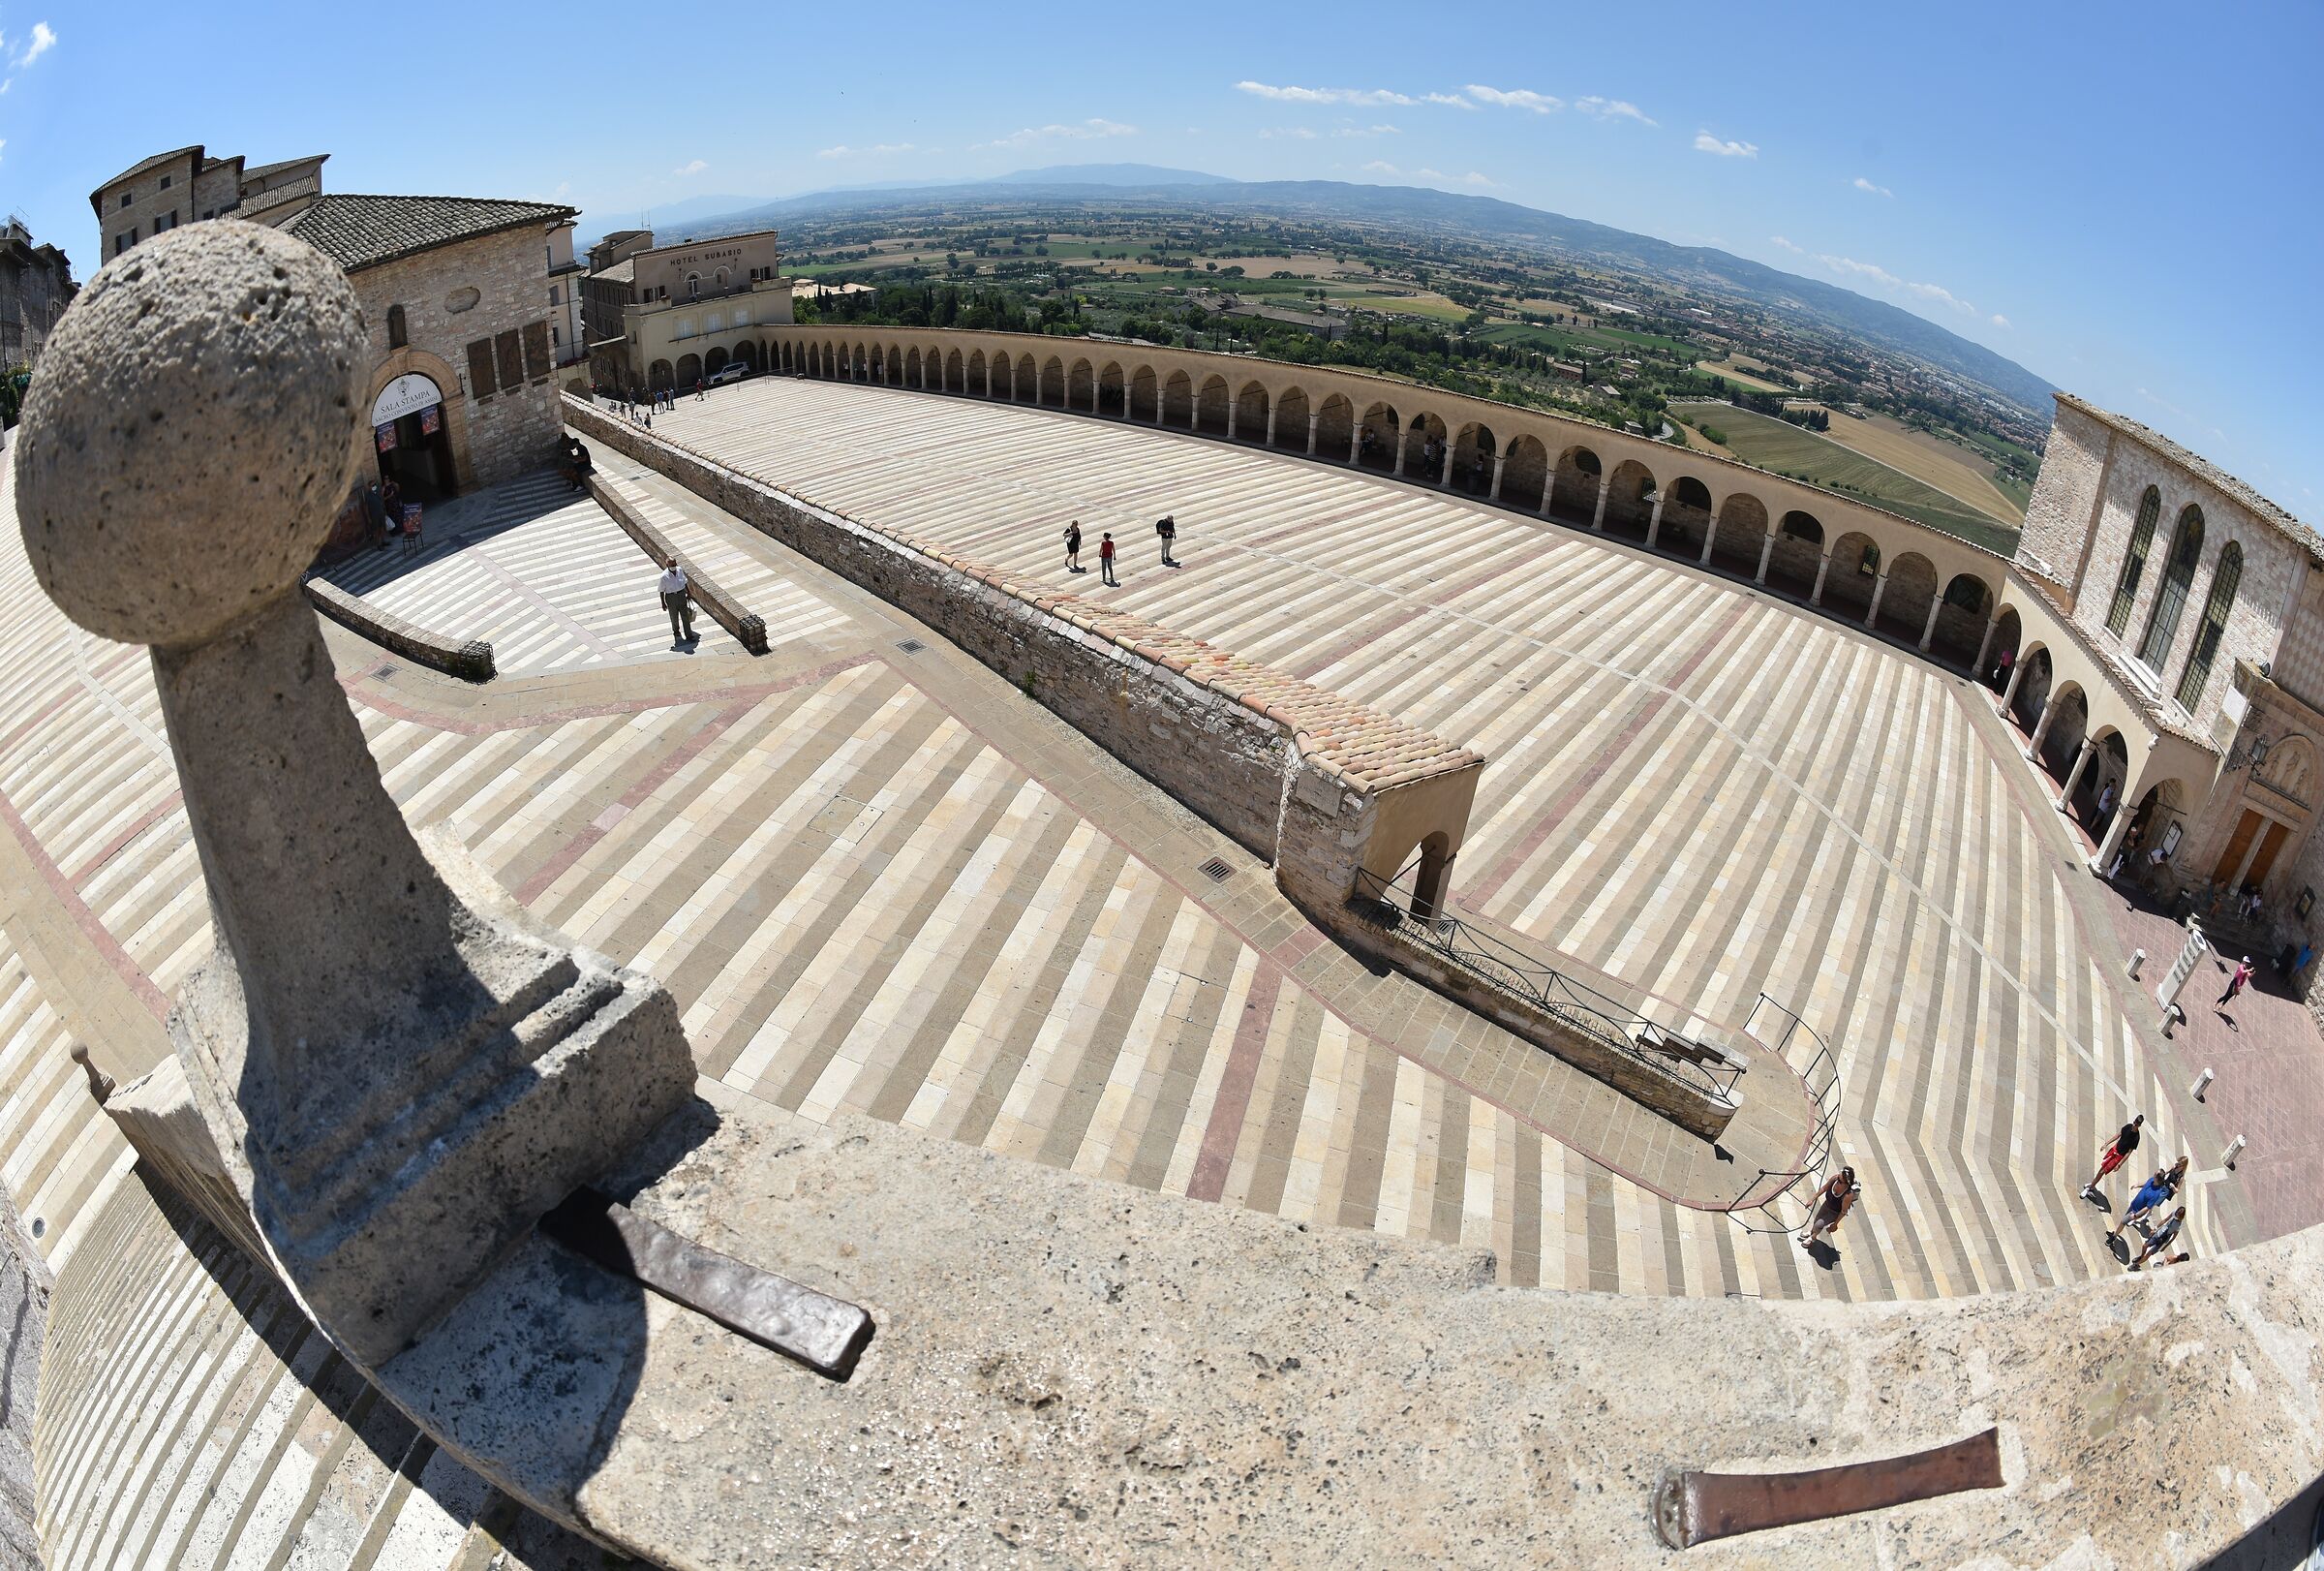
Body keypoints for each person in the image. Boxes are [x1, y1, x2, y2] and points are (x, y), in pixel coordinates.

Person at [2109, 1156, 2186, 1243]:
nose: (2178, 1164)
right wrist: (2138, 1185)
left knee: (2152, 1203)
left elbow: (2177, 1190)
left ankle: (2115, 1235)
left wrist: (2173, 1187)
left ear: (2183, 1166)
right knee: (2149, 1204)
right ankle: (2116, 1233)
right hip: (2162, 1185)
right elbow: (2164, 1174)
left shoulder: (2180, 1177)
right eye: (2178, 1162)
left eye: (2180, 1163)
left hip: (2165, 1191)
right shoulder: (2155, 1178)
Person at [2081, 1114, 2144, 1201]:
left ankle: (2090, 1187)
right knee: (2102, 1168)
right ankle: (2092, 1184)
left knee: (2102, 1171)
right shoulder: (2128, 1126)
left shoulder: (2136, 1138)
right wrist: (2106, 1144)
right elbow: (2118, 1135)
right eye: (2134, 1122)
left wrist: (2119, 1164)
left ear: (2139, 1125)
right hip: (2114, 1150)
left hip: (2118, 1157)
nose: (2134, 1125)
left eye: (2136, 1124)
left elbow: (2128, 1153)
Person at [1799, 1166, 1857, 1249]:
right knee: (1817, 1220)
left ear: (1844, 1181)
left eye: (1841, 1176)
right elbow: (1824, 1188)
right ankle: (1811, 1232)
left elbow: (1843, 1211)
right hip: (1826, 1204)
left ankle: (1812, 1237)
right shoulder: (1835, 1178)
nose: (1838, 1175)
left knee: (1819, 1224)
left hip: (1834, 1212)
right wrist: (1812, 1199)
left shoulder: (1848, 1195)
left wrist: (1835, 1224)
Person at [2128, 1206, 2186, 1271]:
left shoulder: (2179, 1225)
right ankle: (2141, 1257)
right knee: (2145, 1246)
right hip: (2159, 1233)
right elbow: (2165, 1220)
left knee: (2149, 1254)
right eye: (2177, 1213)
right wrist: (2155, 1229)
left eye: (2178, 1215)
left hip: (2164, 1239)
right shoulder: (2174, 1213)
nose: (2176, 1215)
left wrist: (2165, 1246)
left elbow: (2173, 1237)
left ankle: (2136, 1264)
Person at [657, 556, 695, 644]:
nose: (674, 566)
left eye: (674, 564)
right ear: (667, 565)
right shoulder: (664, 576)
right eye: (671, 565)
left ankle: (689, 635)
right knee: (674, 616)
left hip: (681, 595)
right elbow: (661, 590)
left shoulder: (679, 570)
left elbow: (684, 582)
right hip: (671, 597)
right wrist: (663, 603)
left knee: (685, 615)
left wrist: (688, 592)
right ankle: (676, 631)